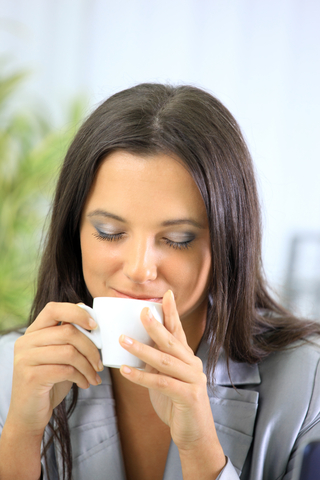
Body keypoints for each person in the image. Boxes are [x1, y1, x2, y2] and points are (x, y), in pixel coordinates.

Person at [0, 83, 320, 480]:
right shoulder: (12, 369)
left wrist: (200, 448)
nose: (139, 269)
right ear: (74, 233)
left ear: (228, 242)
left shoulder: (309, 384)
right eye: (109, 231)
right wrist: (21, 435)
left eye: (177, 239)